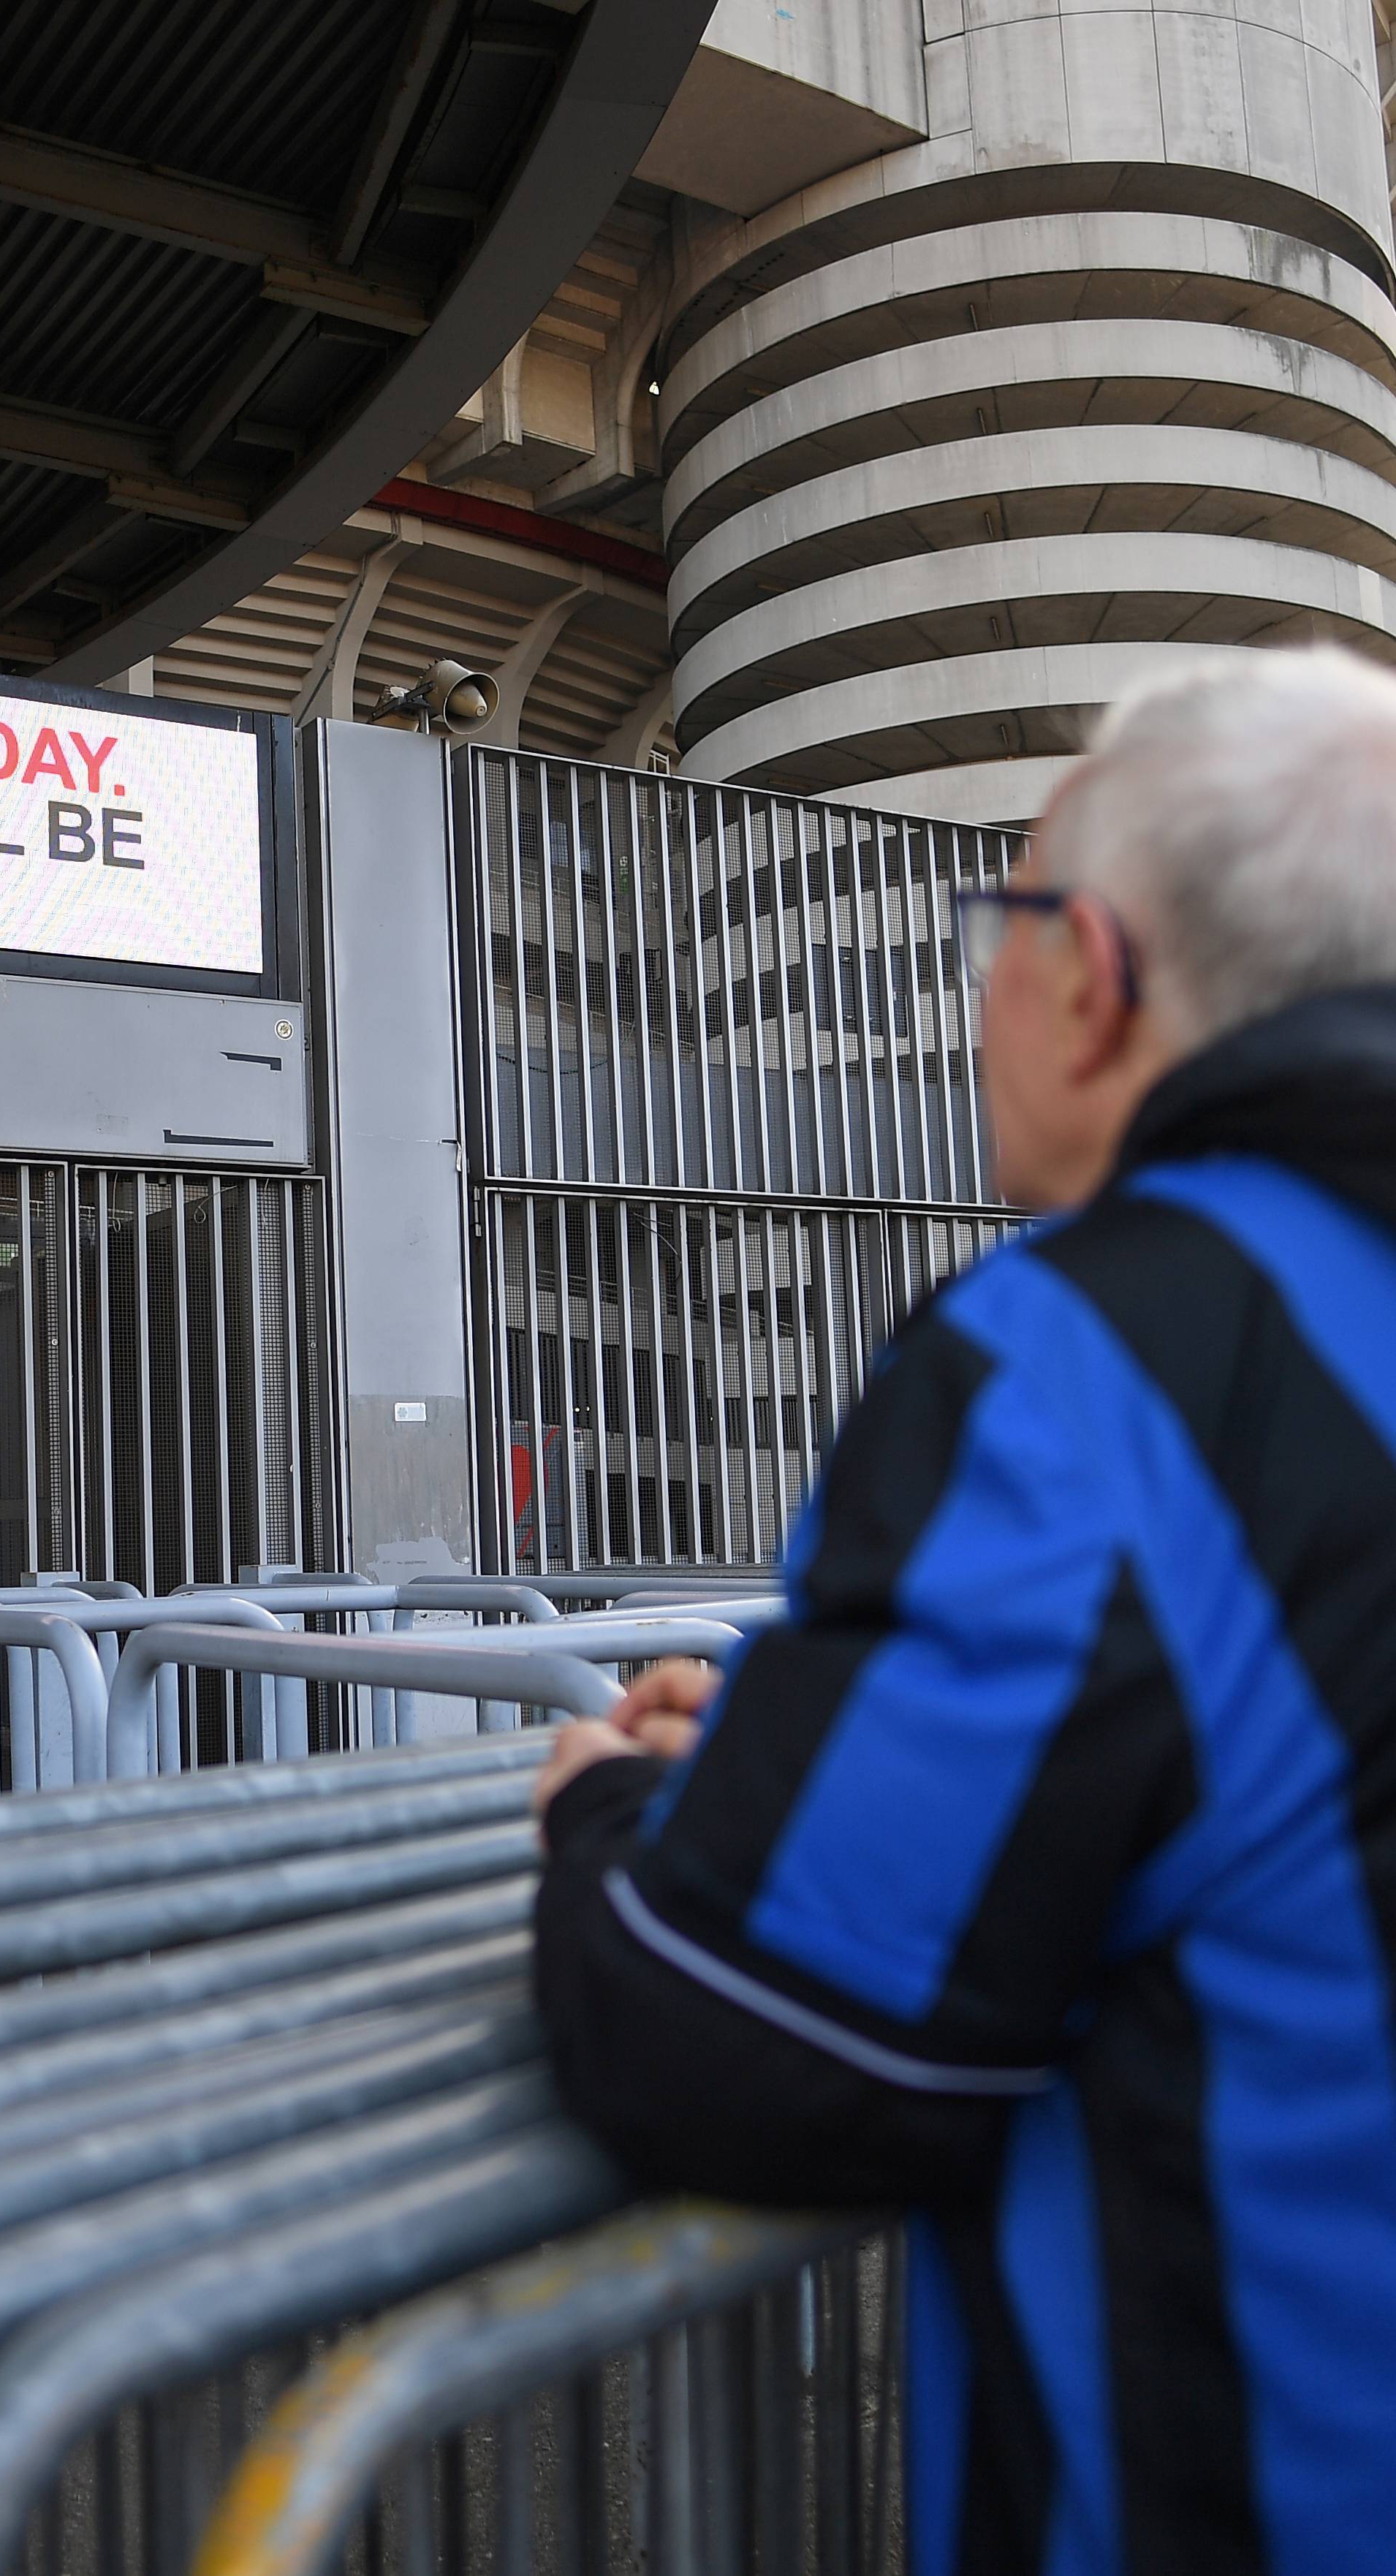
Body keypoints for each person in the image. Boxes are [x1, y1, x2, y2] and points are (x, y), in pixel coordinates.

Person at [533, 644, 1396, 2575]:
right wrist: (791, 1751)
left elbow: (736, 2026)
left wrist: (600, 1800)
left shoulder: (1102, 1362)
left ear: (1089, 974)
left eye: (997, 918)